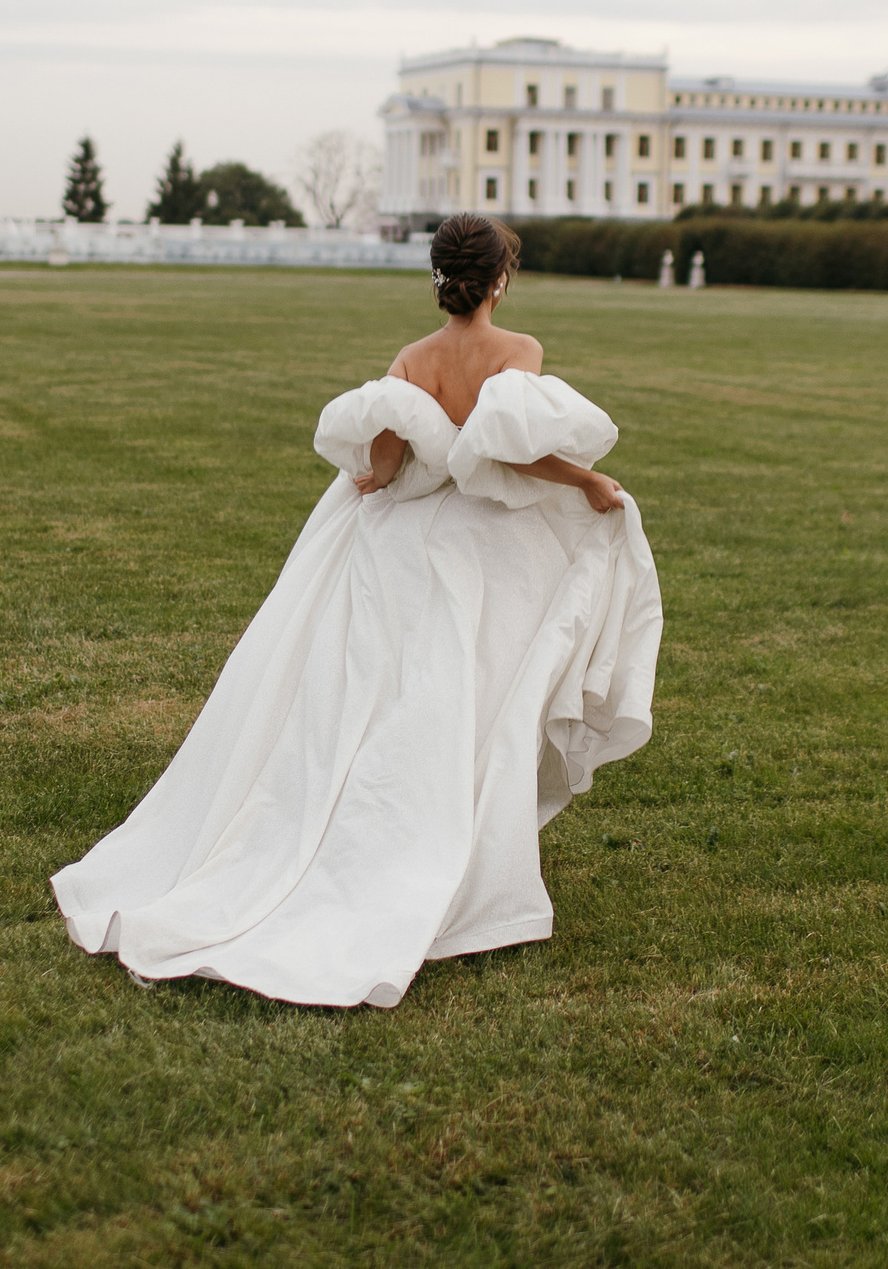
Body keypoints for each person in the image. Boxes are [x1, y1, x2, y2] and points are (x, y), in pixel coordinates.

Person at [51, 214, 662, 1008]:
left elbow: (385, 461)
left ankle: (357, 828)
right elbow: (508, 447)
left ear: (440, 280)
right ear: (500, 281)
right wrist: (584, 479)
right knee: (465, 692)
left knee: (369, 686)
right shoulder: (518, 353)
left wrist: (374, 483)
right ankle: (440, 840)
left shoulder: (411, 360)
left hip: (404, 543)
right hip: (476, 545)